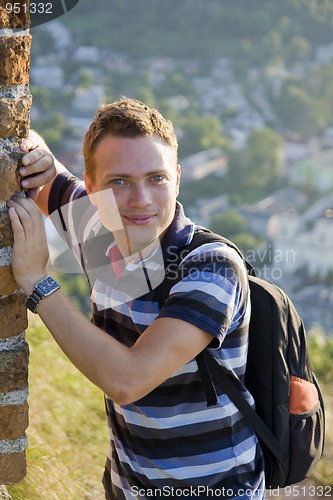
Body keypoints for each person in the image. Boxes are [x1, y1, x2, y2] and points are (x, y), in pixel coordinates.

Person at [8, 98, 266, 499]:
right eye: (119, 182)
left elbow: (127, 380)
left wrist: (38, 282)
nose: (140, 199)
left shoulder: (211, 266)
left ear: (177, 179)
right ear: (91, 189)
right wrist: (35, 155)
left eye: (156, 178)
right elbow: (25, 144)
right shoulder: (101, 235)